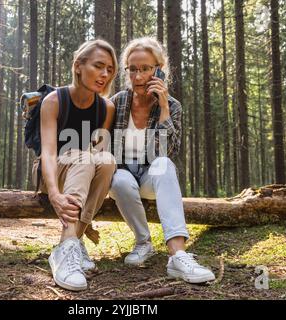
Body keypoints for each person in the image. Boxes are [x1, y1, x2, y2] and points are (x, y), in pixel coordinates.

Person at [109, 37, 216, 284]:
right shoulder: (118, 102)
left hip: (151, 177)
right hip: (123, 173)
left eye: (145, 68)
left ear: (158, 70)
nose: (137, 76)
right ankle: (143, 242)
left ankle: (178, 254)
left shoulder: (173, 106)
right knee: (119, 180)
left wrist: (164, 108)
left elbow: (166, 152)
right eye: (132, 69)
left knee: (165, 164)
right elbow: (111, 153)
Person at [40, 39, 118, 291]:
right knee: (81, 156)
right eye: (98, 66)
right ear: (78, 66)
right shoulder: (54, 101)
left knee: (106, 161)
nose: (104, 74)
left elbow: (97, 153)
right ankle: (67, 249)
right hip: (49, 173)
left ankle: (72, 241)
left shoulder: (106, 108)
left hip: (80, 173)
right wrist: (53, 194)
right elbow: (48, 153)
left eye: (109, 69)